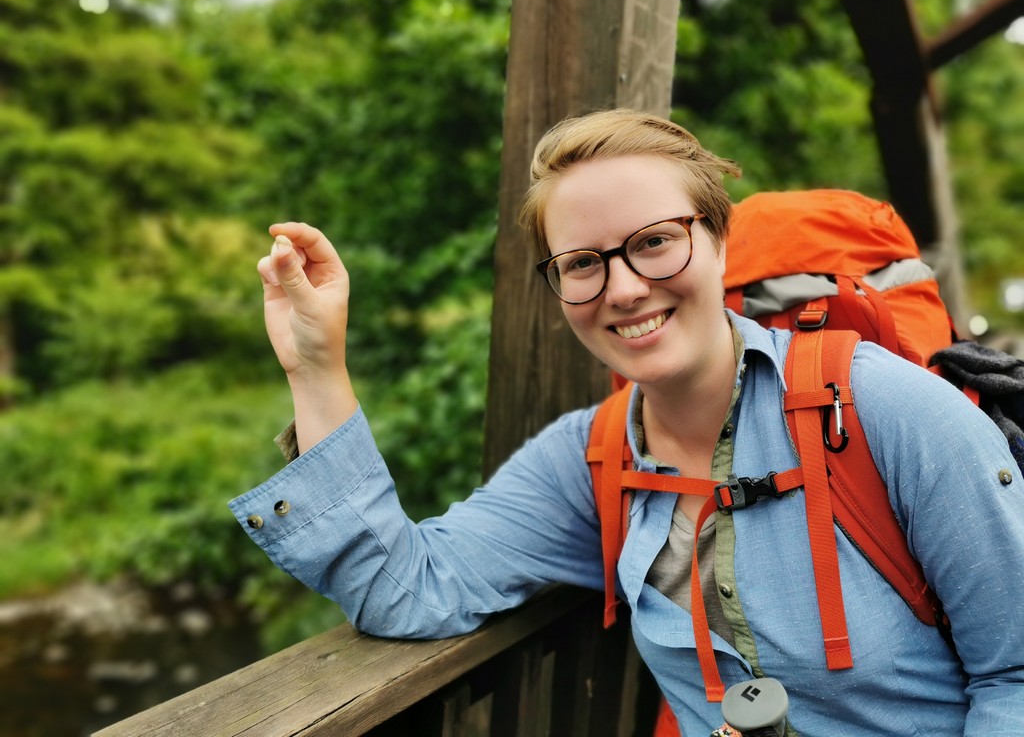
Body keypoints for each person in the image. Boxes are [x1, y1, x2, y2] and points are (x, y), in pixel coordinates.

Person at [231, 109, 1024, 735]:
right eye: (583, 263)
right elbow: (407, 590)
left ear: (717, 241)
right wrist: (315, 366)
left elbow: (1015, 677)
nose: (624, 289)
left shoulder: (884, 410)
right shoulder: (591, 458)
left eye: (654, 244)